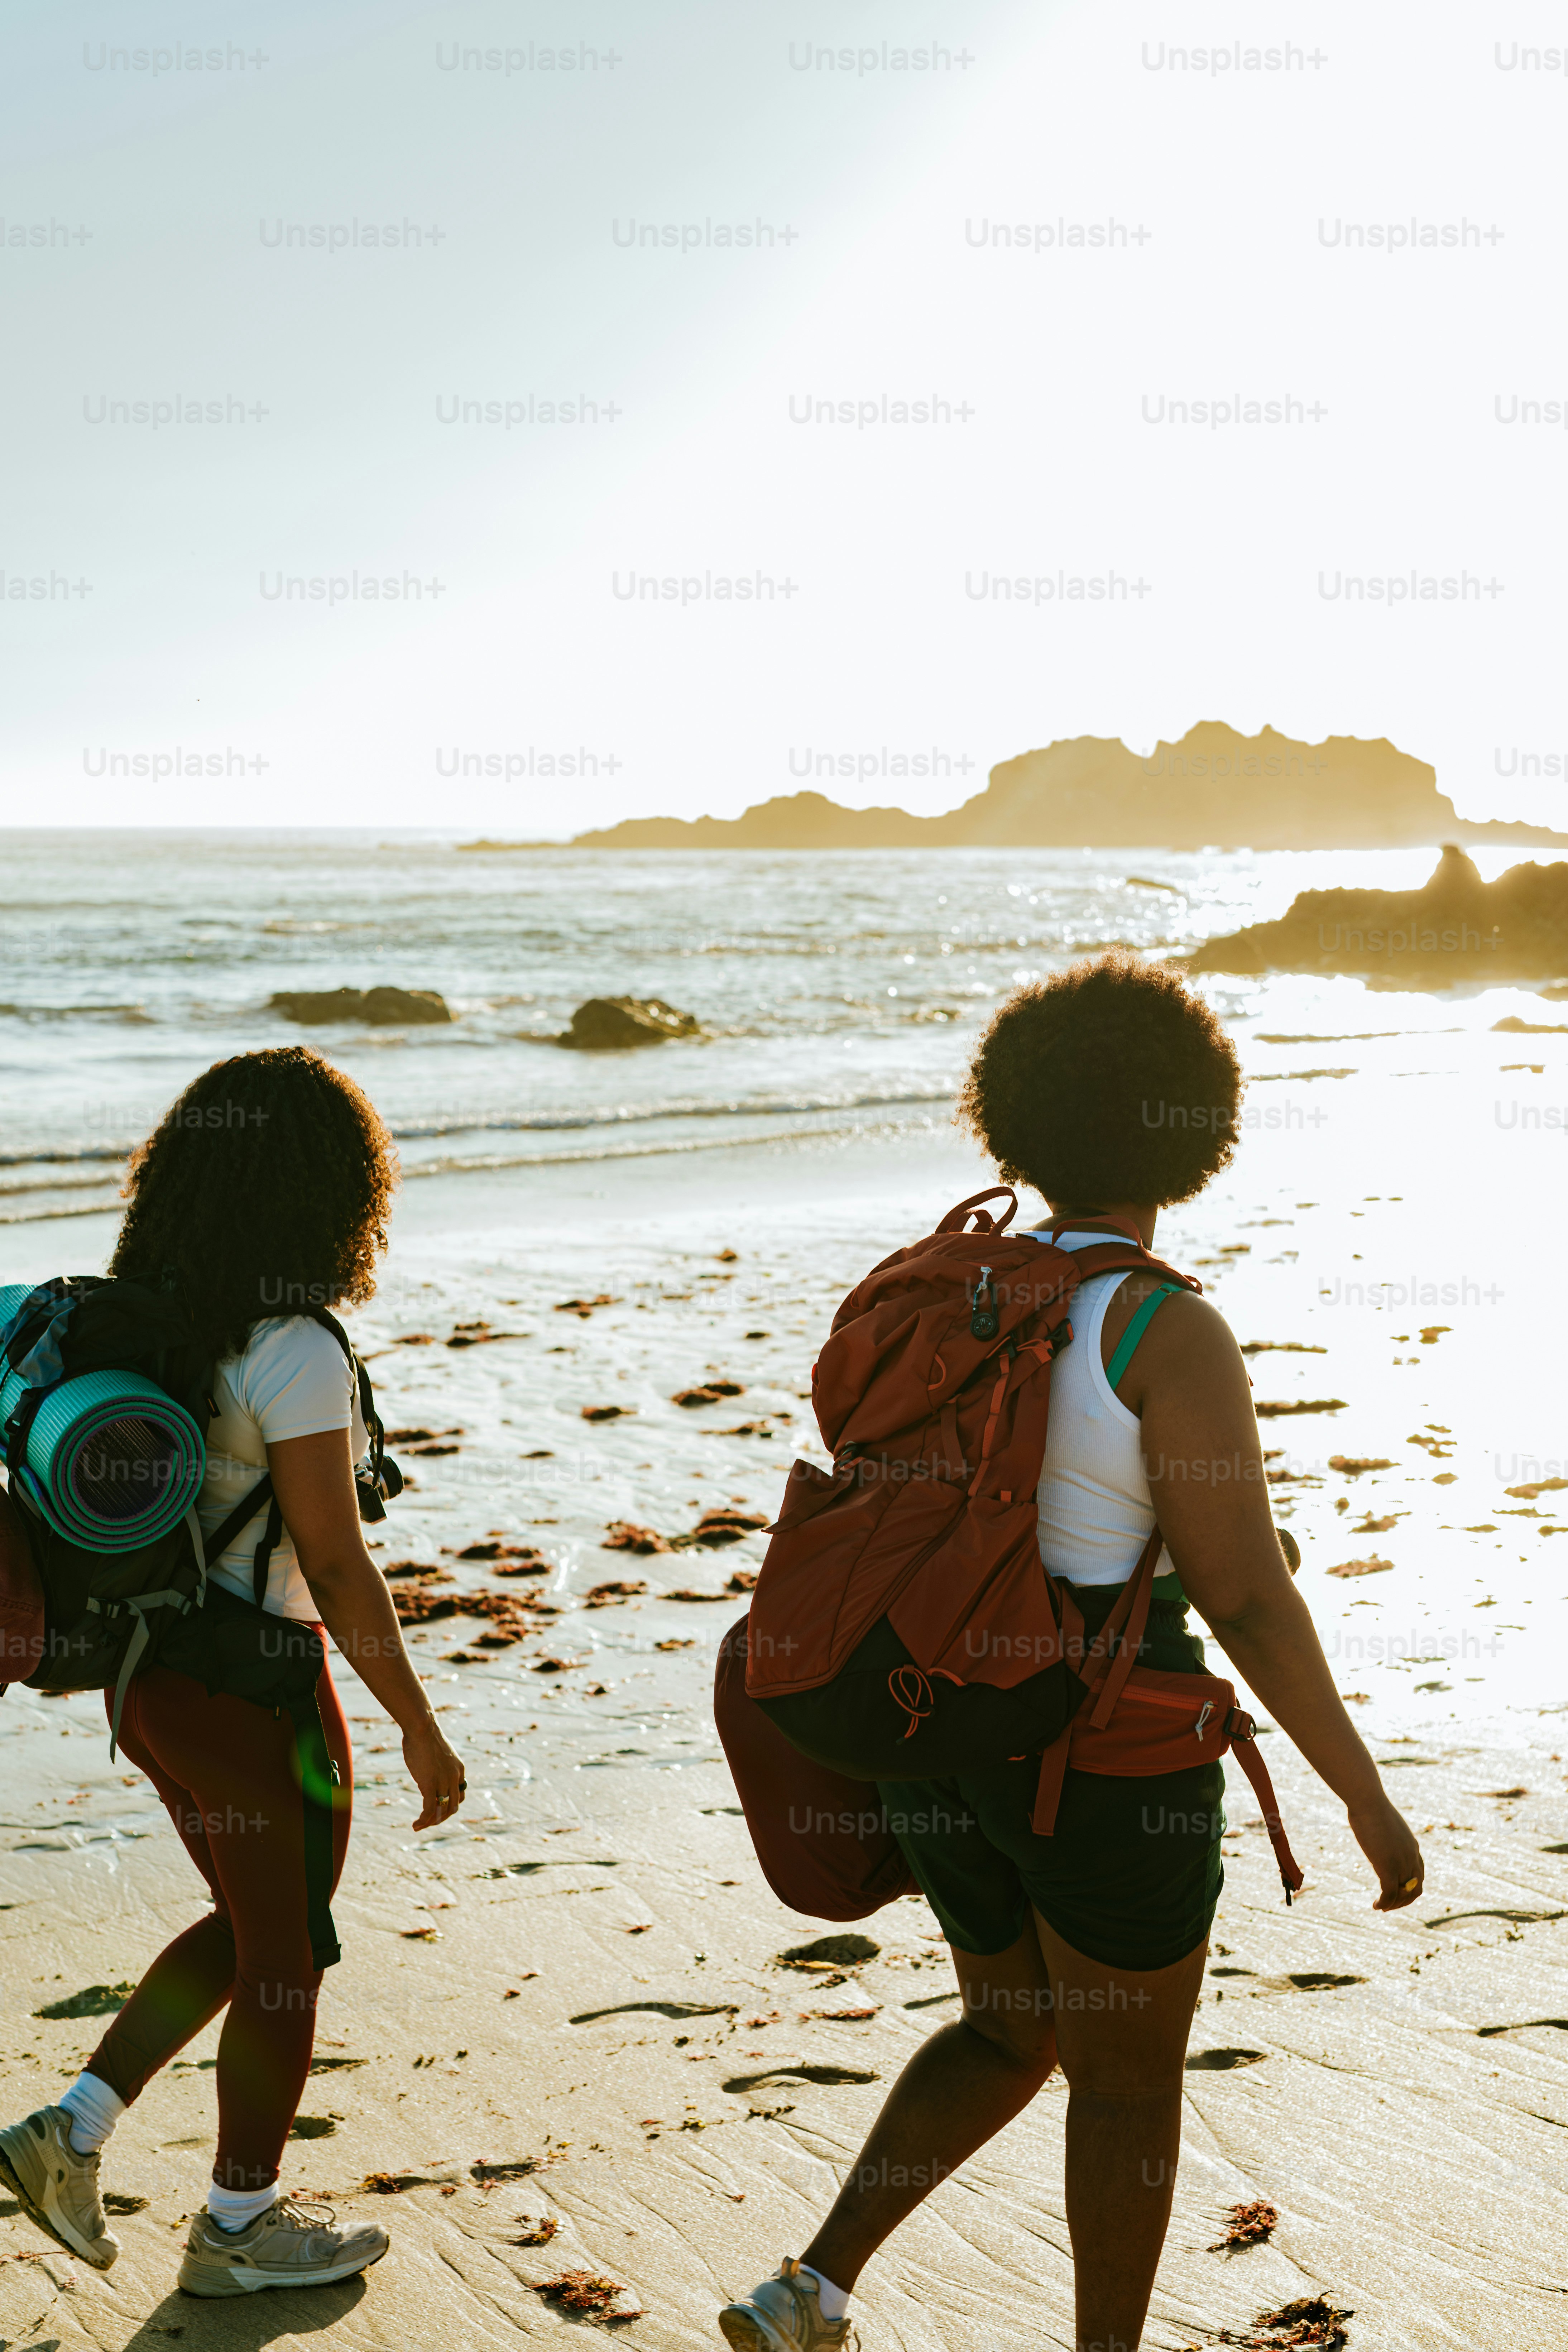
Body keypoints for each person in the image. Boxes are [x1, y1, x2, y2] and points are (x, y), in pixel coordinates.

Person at [720, 956, 1424, 2352]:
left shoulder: (933, 1290)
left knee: (1006, 2027)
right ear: (1194, 1127)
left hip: (931, 1723)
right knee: (1122, 2081)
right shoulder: (1168, 1327)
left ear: (1019, 1121)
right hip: (1101, 1751)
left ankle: (810, 2290)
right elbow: (1246, 1598)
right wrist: (1360, 1792)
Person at [0, 1046, 467, 2298]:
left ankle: (71, 2132)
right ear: (330, 1192)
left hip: (151, 1680)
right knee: (286, 1960)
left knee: (259, 1928)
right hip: (257, 1685)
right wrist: (419, 1723)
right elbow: (339, 1563)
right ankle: (238, 2227)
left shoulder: (150, 1319)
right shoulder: (294, 1347)